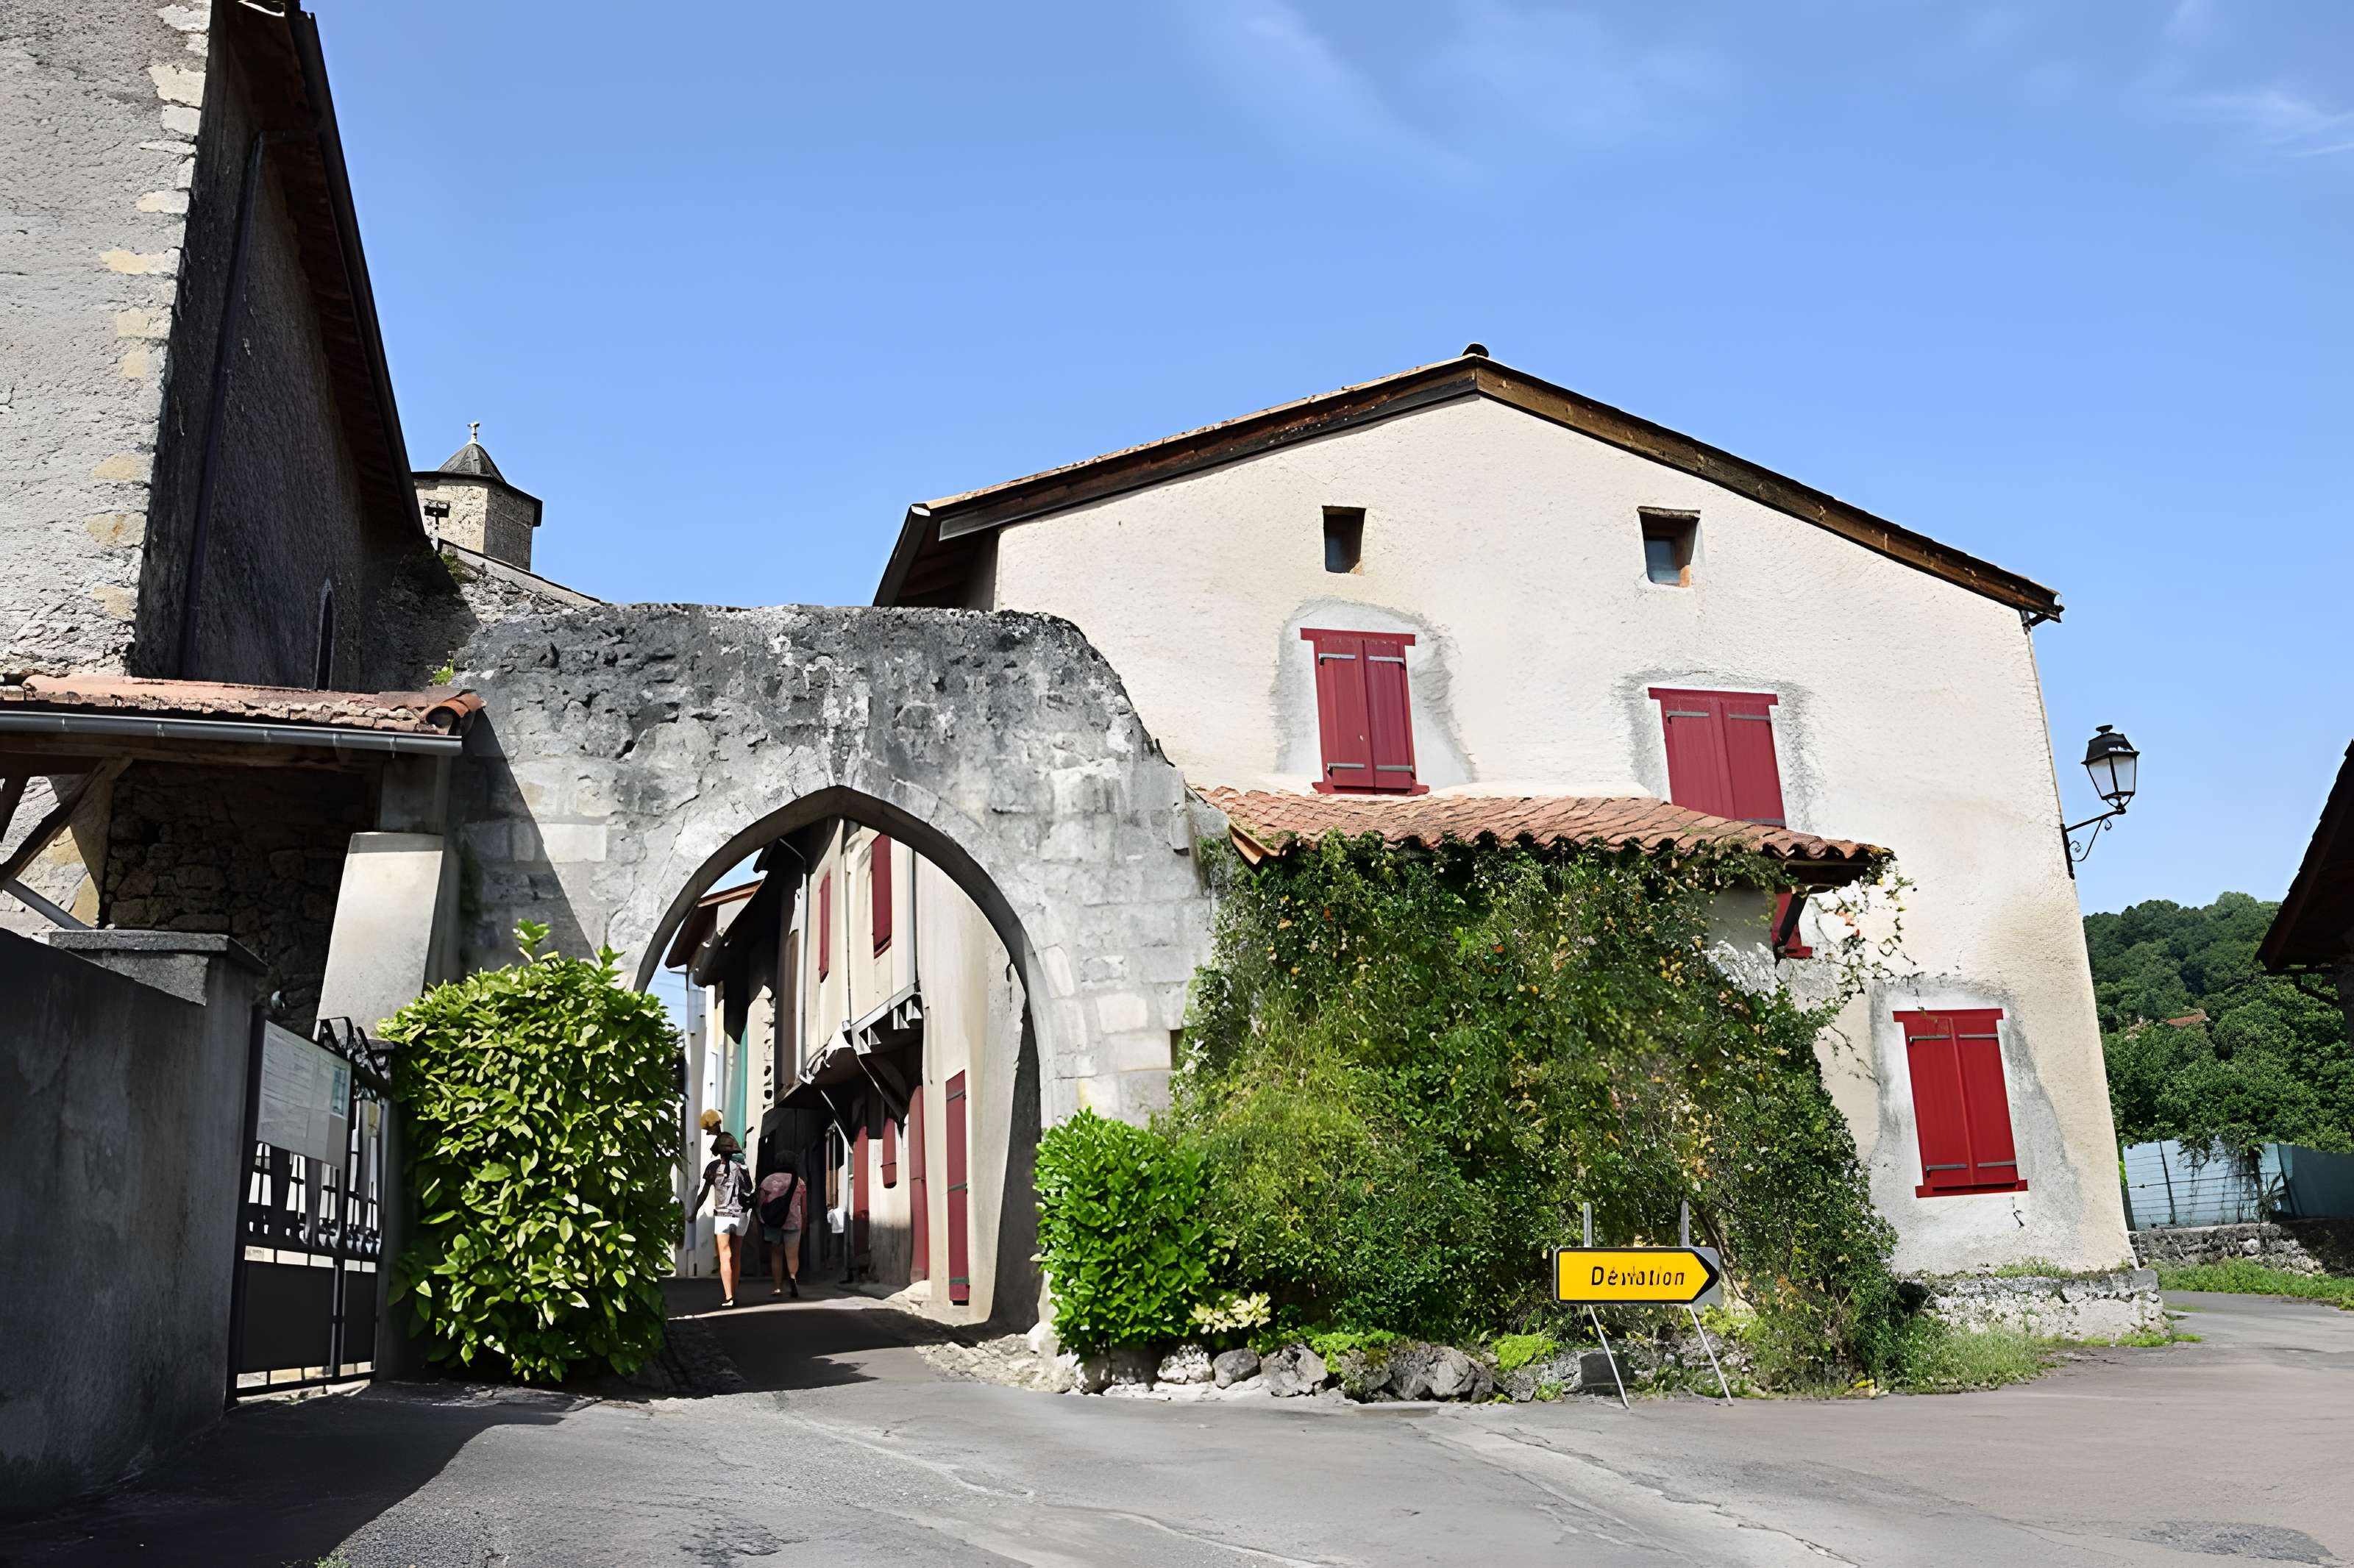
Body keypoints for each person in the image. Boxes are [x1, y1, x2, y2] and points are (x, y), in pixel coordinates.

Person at [691, 1130, 755, 1308]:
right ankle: (734, 1293)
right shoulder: (742, 1168)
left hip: (723, 1216)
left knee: (725, 1256)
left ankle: (728, 1297)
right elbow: (749, 1189)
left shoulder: (712, 1167)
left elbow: (703, 1193)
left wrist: (694, 1212)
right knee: (736, 1256)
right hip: (741, 1215)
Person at [755, 1163, 806, 1300]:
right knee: (792, 1255)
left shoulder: (768, 1180)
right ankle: (793, 1279)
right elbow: (804, 1207)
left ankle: (777, 1287)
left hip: (773, 1222)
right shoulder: (799, 1181)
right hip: (794, 1221)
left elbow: (760, 1202)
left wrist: (761, 1218)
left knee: (776, 1254)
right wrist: (804, 1223)